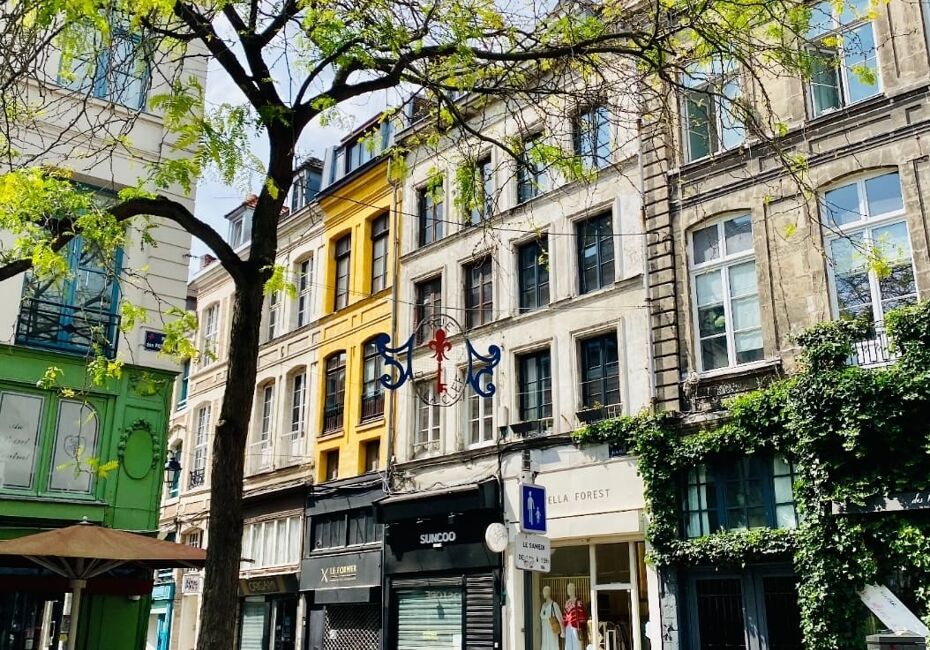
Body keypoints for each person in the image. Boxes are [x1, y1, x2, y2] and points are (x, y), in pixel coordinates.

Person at [563, 582, 587, 650]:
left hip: (576, 626)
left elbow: (582, 615)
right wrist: (564, 627)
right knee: (568, 645)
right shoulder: (567, 602)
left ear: (573, 589)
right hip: (568, 626)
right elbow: (565, 616)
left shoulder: (578, 602)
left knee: (577, 645)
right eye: (567, 589)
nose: (568, 590)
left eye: (569, 588)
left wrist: (581, 625)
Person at [540, 585, 563, 650]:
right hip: (545, 628)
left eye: (545, 591)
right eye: (543, 591)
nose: (543, 593)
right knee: (545, 644)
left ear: (548, 592)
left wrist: (562, 631)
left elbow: (560, 617)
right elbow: (541, 616)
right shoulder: (543, 605)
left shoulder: (554, 604)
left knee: (553, 644)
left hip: (552, 627)